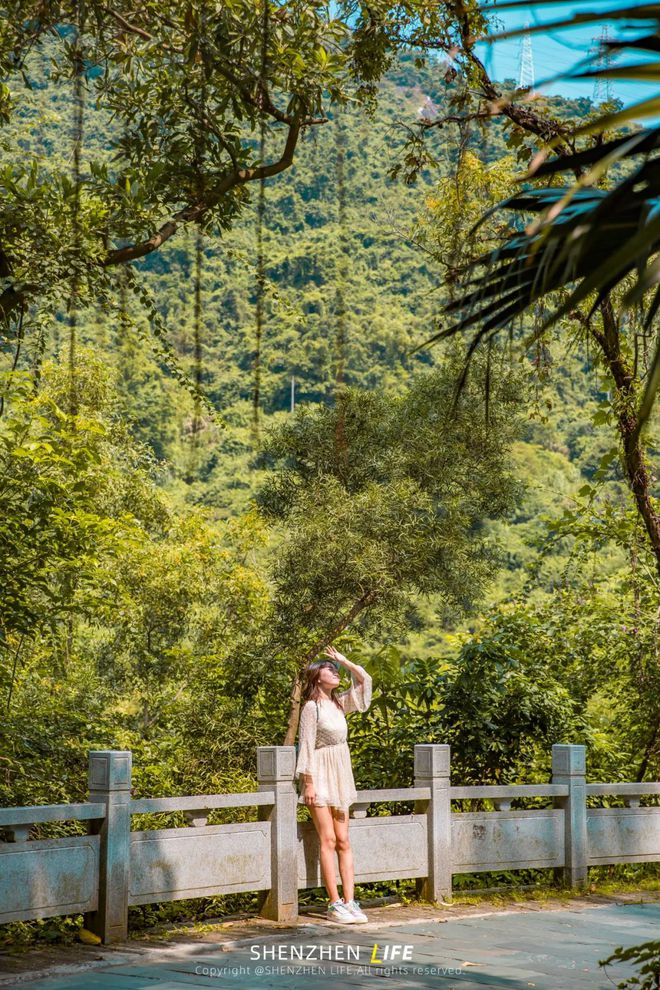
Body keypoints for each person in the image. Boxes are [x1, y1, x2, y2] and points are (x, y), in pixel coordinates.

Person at [294, 645, 373, 925]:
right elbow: (305, 745)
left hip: (340, 772)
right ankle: (334, 903)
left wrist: (344, 661)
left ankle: (351, 901)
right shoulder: (311, 708)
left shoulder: (339, 703)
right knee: (327, 840)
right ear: (317, 677)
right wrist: (309, 784)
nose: (335, 672)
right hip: (319, 773)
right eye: (330, 669)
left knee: (344, 840)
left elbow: (365, 683)